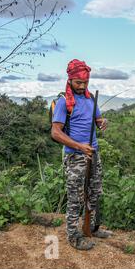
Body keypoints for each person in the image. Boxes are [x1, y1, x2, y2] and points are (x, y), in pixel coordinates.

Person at [51, 59, 111, 250]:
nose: (82, 86)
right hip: (75, 156)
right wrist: (79, 146)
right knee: (76, 196)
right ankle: (73, 236)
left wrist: (102, 123)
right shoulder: (63, 102)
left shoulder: (90, 98)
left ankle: (91, 228)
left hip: (93, 153)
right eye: (78, 82)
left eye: (85, 82)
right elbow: (55, 132)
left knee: (94, 193)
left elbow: (97, 119)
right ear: (70, 80)